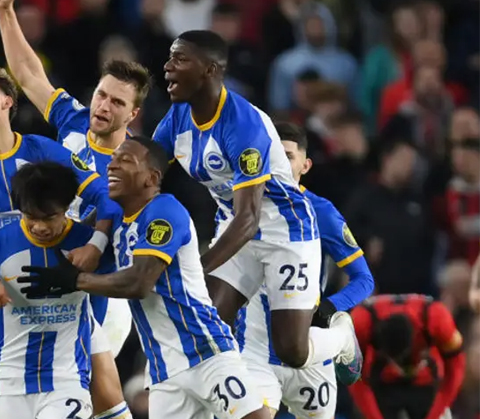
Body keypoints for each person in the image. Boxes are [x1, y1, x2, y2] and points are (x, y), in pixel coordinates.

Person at [152, 30, 361, 377]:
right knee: (210, 325)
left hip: (284, 233)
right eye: (170, 57)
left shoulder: (243, 124)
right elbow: (146, 166)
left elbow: (250, 218)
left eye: (180, 59)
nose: (167, 67)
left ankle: (340, 338)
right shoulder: (178, 117)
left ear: (210, 70)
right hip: (234, 228)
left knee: (292, 350)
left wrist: (195, 267)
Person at [18, 137, 270, 419]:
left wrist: (73, 280)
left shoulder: (164, 211)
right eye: (112, 160)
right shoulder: (119, 225)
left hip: (205, 351)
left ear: (152, 178)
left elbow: (139, 283)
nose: (112, 166)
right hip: (163, 370)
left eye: (125, 160)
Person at [0, 62, 129, 419]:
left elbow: (104, 196)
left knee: (103, 392)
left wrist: (96, 244)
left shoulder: (43, 151)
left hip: (63, 285)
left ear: (8, 101)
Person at [0, 0, 150, 359]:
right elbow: (29, 75)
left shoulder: (137, 168)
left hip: (97, 291)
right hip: (45, 273)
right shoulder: (74, 121)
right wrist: (6, 12)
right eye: (101, 95)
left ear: (133, 114)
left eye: (117, 102)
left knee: (91, 394)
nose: (104, 107)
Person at [0, 161, 123, 419]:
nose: (41, 227)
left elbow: (101, 296)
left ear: (67, 207)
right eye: (31, 217)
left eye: (50, 217)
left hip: (67, 379)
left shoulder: (86, 246)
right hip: (8, 382)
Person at [235, 122, 376, 418]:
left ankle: (341, 337)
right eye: (271, 154)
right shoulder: (239, 204)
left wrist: (326, 308)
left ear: (306, 165)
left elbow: (364, 279)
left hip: (309, 351)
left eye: (286, 156)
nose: (277, 163)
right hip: (255, 350)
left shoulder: (320, 212)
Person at [348, 294, 466, 419]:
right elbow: (353, 377)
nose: (400, 369)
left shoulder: (437, 319)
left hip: (427, 384)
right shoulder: (360, 324)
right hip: (383, 385)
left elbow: (456, 367)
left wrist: (436, 413)